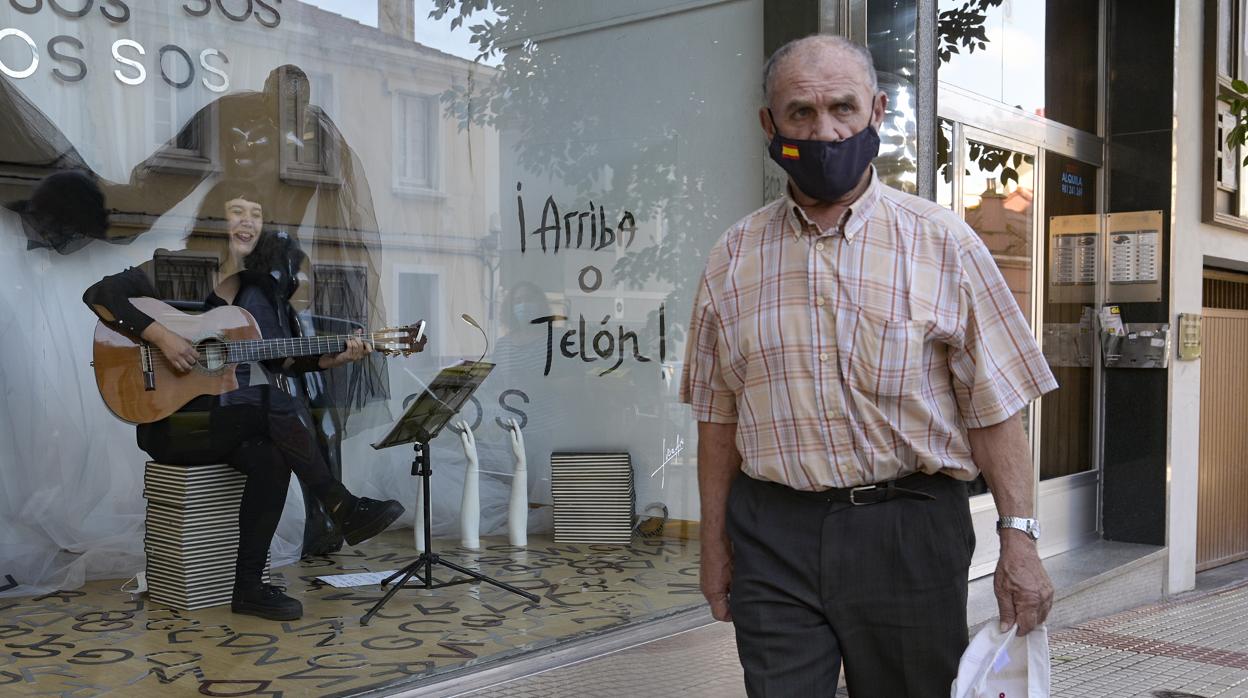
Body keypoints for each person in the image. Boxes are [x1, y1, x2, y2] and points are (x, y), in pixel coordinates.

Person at [680, 35, 1058, 696]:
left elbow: (994, 407)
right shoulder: (731, 258)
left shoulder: (943, 243)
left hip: (907, 530)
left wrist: (1018, 540)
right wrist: (714, 545)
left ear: (876, 111)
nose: (823, 131)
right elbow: (718, 419)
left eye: (842, 108)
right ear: (769, 124)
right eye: (799, 113)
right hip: (773, 535)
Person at [83, 187, 421, 621]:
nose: (247, 221)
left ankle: (249, 589)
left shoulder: (259, 292)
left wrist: (333, 356)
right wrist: (162, 336)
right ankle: (341, 504)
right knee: (267, 399)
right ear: (213, 220)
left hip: (226, 423)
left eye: (256, 213)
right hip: (170, 423)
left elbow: (280, 358)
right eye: (236, 210)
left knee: (273, 458)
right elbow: (98, 294)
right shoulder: (176, 268)